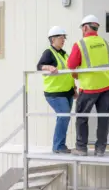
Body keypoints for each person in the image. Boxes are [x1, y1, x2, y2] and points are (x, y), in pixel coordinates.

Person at [67, 15, 109, 157]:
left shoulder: (80, 44)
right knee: (104, 117)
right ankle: (100, 149)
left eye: (82, 28)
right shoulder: (106, 43)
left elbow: (71, 65)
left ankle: (81, 148)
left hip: (89, 87)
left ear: (86, 27)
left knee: (82, 117)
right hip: (107, 85)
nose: (82, 30)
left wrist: (76, 74)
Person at [37, 26, 78, 154]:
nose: (63, 40)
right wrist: (48, 67)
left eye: (64, 38)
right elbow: (39, 66)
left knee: (64, 117)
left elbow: (68, 73)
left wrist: (74, 88)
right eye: (61, 38)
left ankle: (60, 145)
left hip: (67, 92)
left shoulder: (64, 54)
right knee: (64, 115)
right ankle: (58, 146)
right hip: (54, 93)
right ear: (53, 39)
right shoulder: (48, 52)